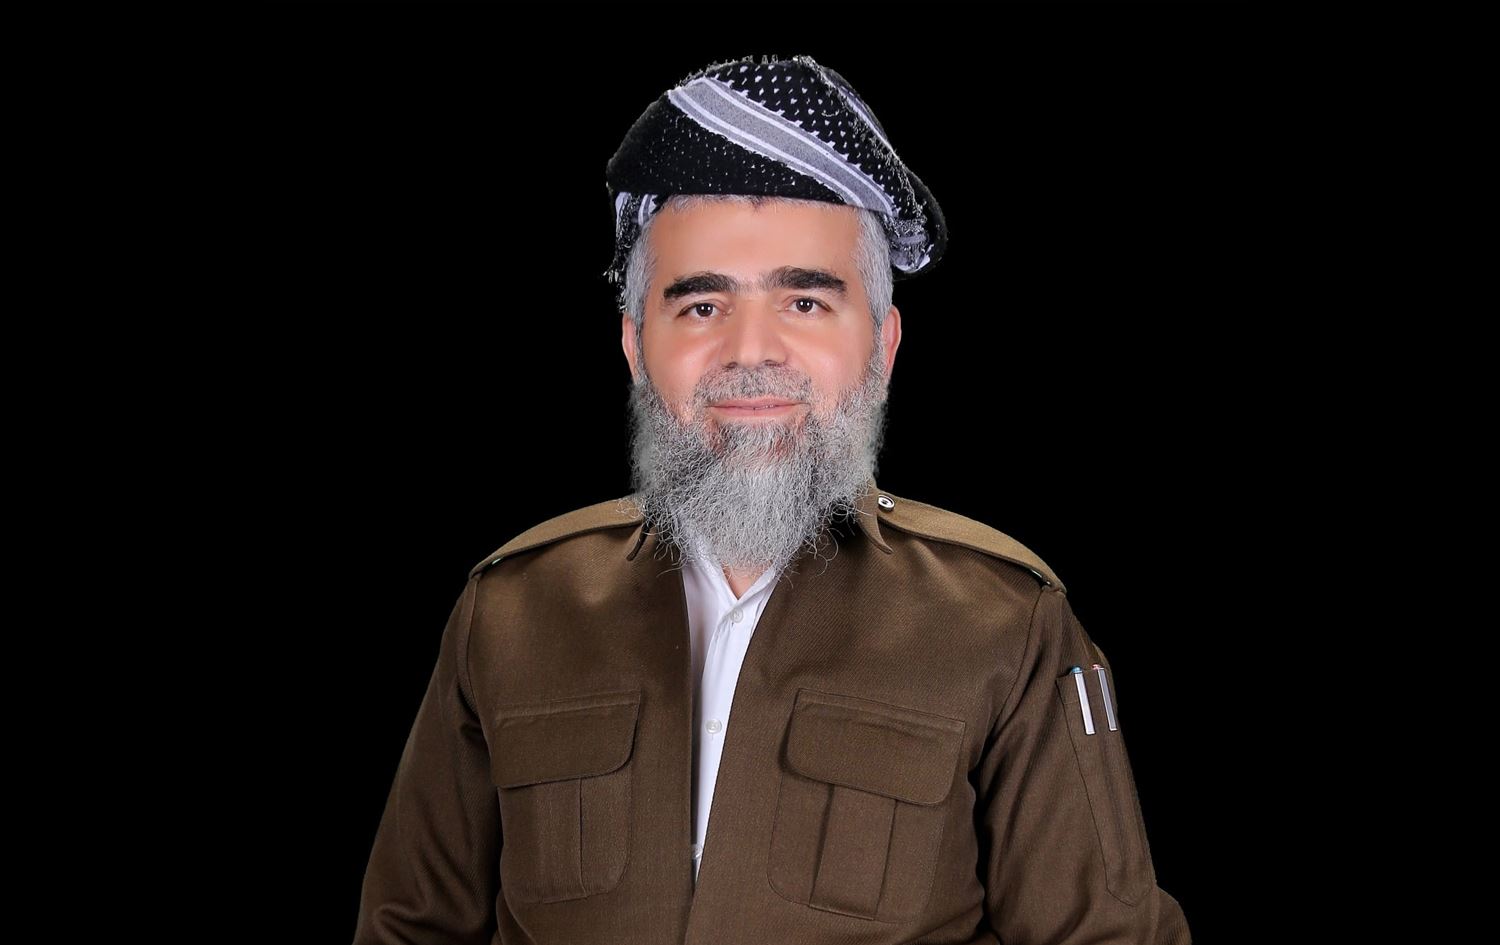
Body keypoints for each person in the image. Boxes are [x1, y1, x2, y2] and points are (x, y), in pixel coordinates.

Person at [353, 53, 1192, 945]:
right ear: (636, 346)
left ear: (884, 346)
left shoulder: (1009, 625)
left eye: (804, 301)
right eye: (701, 306)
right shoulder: (508, 613)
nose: (752, 352)